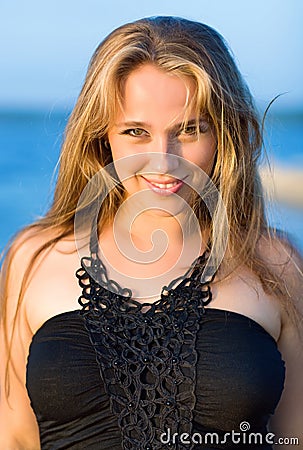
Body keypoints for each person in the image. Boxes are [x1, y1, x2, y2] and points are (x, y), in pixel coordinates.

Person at [0, 16, 302, 450]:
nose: (164, 160)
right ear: (102, 137)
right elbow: (14, 438)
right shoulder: (34, 258)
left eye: (190, 129)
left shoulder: (276, 265)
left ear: (224, 134)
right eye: (136, 132)